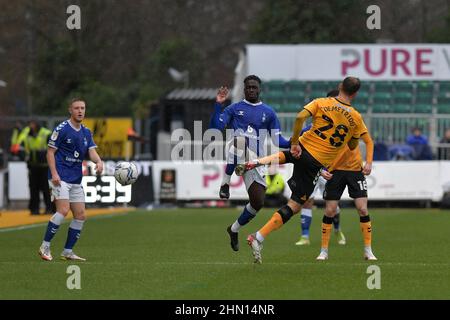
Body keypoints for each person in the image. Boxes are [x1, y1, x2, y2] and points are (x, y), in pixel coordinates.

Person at [236, 76, 377, 263]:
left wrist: (295, 141)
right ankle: (258, 237)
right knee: (294, 205)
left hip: (302, 147)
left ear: (340, 86)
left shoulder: (321, 102)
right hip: (316, 162)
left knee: (288, 155)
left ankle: (257, 162)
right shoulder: (356, 118)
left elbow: (300, 117)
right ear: (356, 93)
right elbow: (352, 145)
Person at [209, 75, 291, 251]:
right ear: (244, 89)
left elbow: (279, 141)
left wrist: (298, 141)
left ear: (259, 89)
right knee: (240, 140)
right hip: (235, 150)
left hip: (254, 161)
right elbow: (215, 128)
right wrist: (218, 104)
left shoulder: (268, 112)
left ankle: (233, 229)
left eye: (254, 87)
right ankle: (225, 183)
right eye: (248, 87)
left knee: (257, 202)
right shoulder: (234, 108)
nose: (251, 90)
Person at [38, 98, 103, 261]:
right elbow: (50, 152)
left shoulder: (86, 132)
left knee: (80, 215)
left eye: (83, 108)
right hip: (59, 177)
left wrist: (99, 161)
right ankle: (44, 246)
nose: (80, 111)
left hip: (75, 179)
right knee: (63, 210)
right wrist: (54, 174)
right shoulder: (62, 129)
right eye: (77, 108)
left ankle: (67, 251)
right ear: (70, 110)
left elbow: (92, 152)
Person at [295, 90, 345, 247]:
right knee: (307, 201)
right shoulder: (308, 130)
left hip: (330, 172)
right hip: (313, 171)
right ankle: (305, 236)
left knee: (332, 205)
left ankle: (337, 230)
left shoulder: (342, 129)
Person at [17, 120, 53, 215]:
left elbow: (53, 149)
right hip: (33, 166)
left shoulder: (46, 133)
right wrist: (24, 157)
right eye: (30, 124)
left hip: (45, 166)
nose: (31, 126)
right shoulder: (26, 135)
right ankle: (34, 209)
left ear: (37, 124)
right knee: (33, 189)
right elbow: (20, 148)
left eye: (33, 124)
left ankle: (49, 208)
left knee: (46, 189)